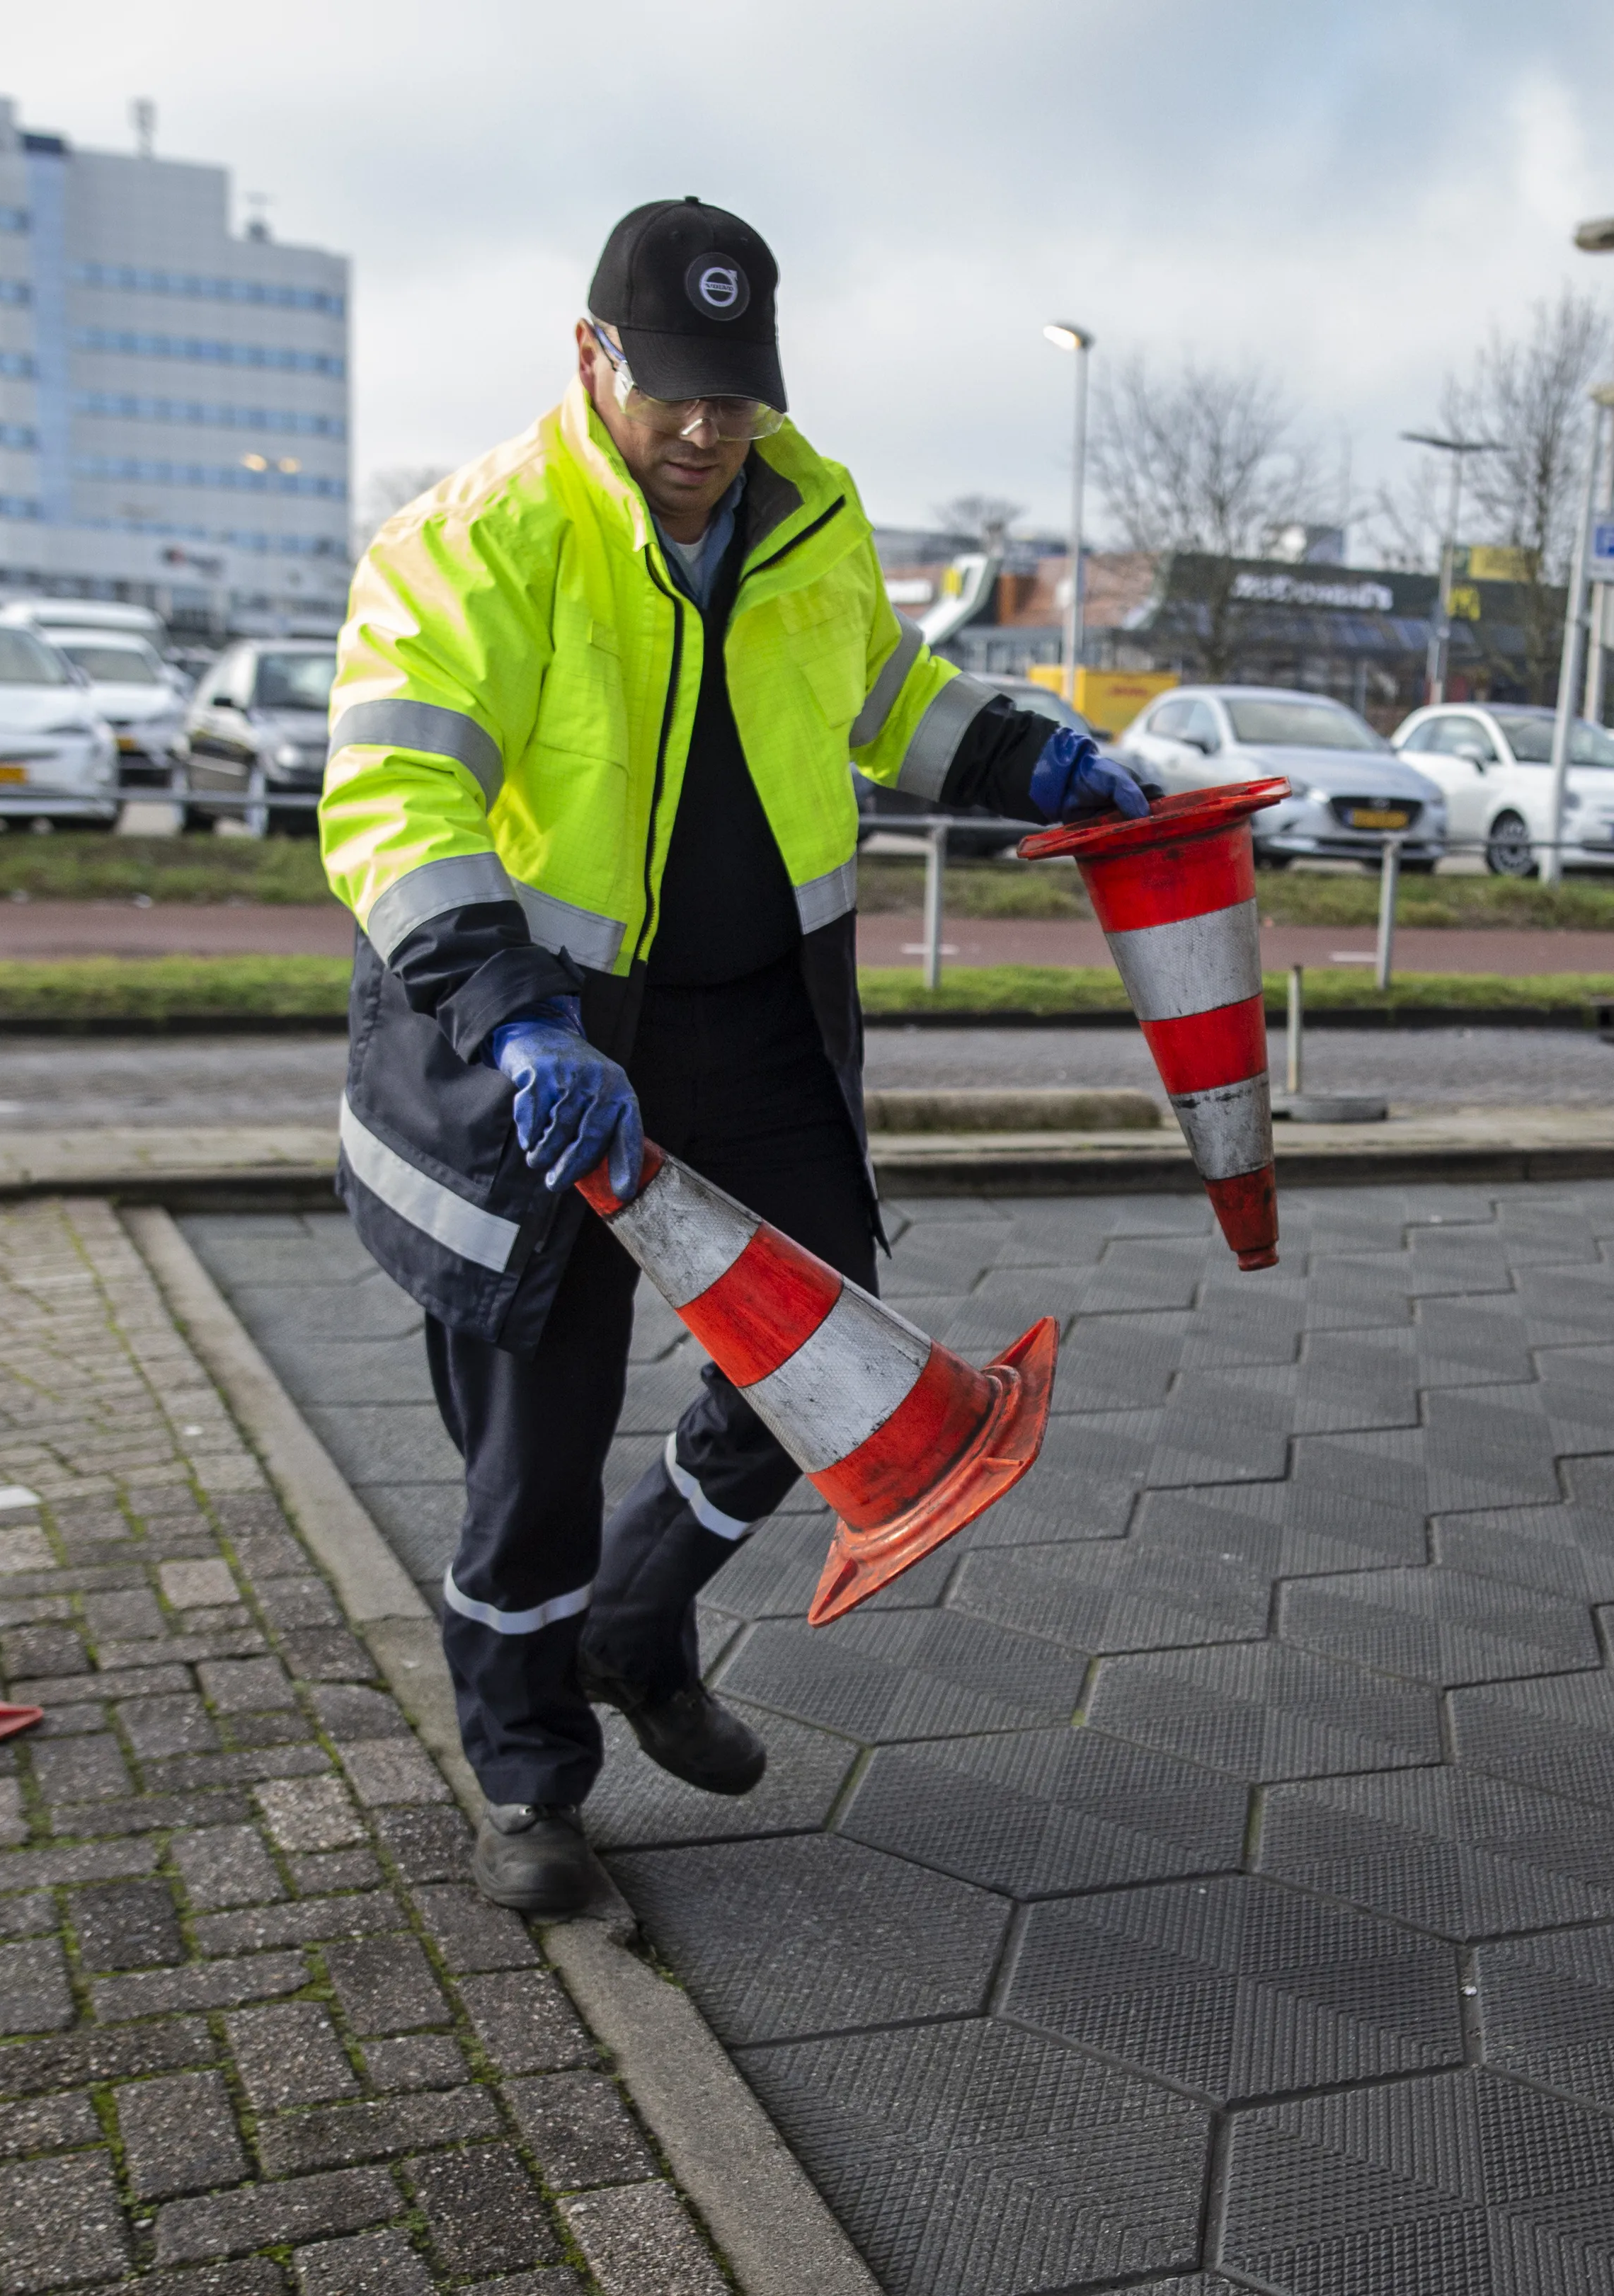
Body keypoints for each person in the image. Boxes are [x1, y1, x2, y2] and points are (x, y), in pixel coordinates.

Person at [316, 198, 1147, 1915]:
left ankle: (638, 1608)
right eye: (674, 392)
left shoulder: (808, 509)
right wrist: (524, 1016)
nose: (705, 431)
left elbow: (885, 693)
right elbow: (393, 799)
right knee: (533, 1437)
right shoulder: (476, 539)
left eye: (737, 396)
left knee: (824, 1330)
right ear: (589, 357)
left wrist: (1028, 755)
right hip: (527, 1042)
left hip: (745, 1015)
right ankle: (533, 1781)